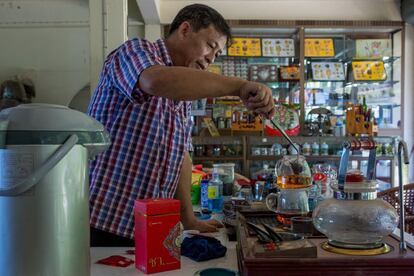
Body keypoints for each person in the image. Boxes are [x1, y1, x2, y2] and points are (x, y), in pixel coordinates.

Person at [87, 3, 275, 246]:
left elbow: (181, 157)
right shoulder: (135, 50)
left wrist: (188, 219)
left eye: (217, 54)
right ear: (185, 29)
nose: (211, 58)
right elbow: (153, 81)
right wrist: (238, 87)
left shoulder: (184, 90)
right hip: (106, 219)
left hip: (154, 225)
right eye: (210, 46)